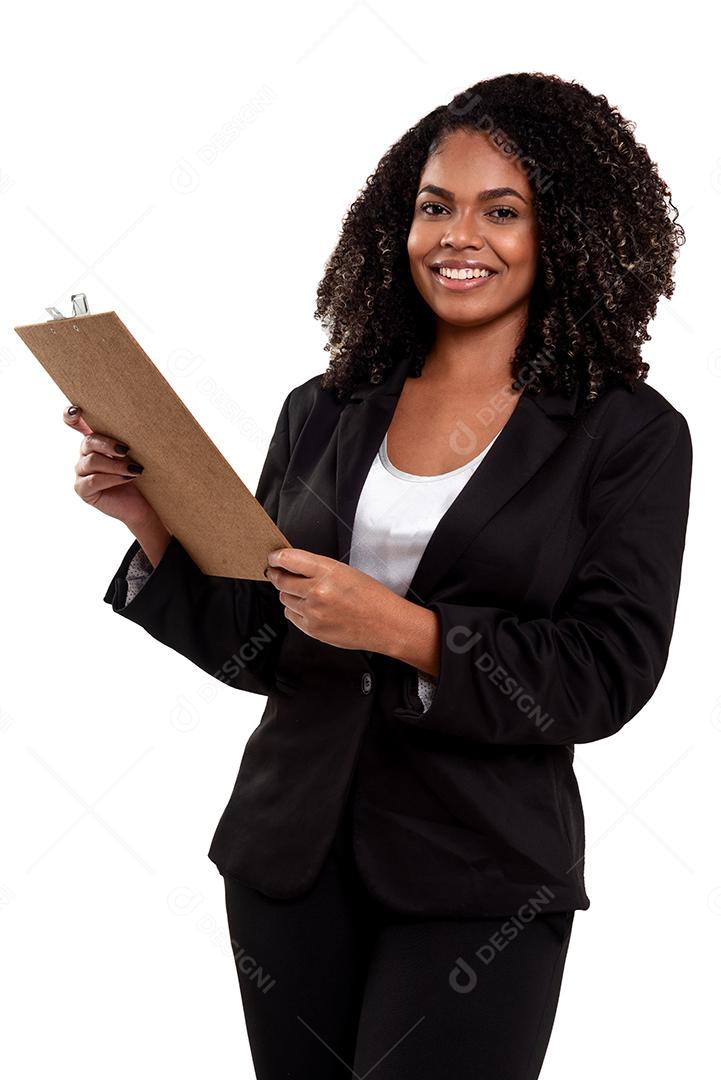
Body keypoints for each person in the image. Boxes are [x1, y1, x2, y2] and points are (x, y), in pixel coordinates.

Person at [64, 72, 692, 1079]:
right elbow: (257, 644)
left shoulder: (627, 436)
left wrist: (402, 629)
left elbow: (604, 672)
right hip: (290, 858)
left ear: (565, 231)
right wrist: (152, 525)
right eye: (434, 206)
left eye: (502, 211)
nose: (458, 236)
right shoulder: (326, 405)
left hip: (480, 872)